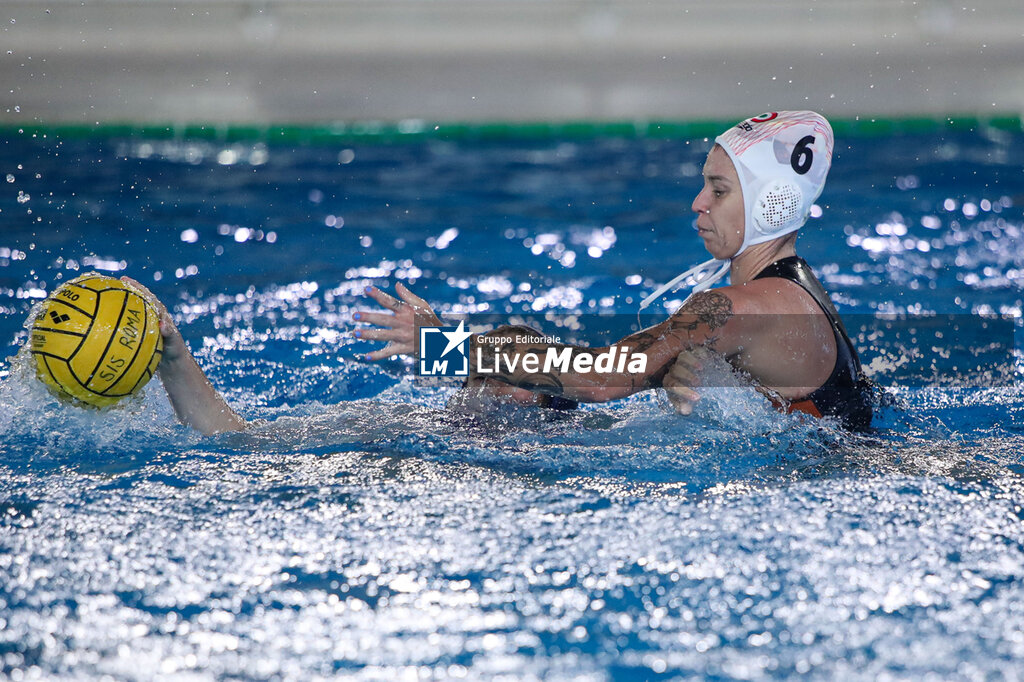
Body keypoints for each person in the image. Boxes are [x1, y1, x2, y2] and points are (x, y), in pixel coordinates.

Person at [358, 111, 873, 430]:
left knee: (511, 369)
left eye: (718, 191)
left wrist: (441, 346)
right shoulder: (793, 292)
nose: (697, 204)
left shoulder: (738, 308)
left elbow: (599, 380)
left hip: (822, 486)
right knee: (520, 372)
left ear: (771, 205)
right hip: (823, 471)